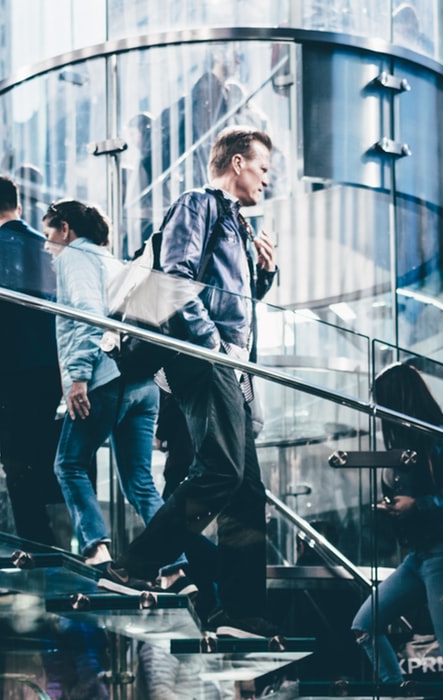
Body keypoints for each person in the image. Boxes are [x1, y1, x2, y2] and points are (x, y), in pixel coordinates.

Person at [96, 127, 280, 640]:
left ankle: (243, 615)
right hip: (206, 356)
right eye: (263, 168)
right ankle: (133, 566)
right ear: (239, 163)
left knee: (246, 491)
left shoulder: (240, 226)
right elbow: (174, 278)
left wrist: (265, 273)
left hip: (233, 364)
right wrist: (211, 345)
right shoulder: (199, 203)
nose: (267, 180)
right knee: (220, 470)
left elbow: (237, 301)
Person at [41, 199, 168, 568]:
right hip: (142, 384)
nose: (47, 246)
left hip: (104, 379)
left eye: (50, 235)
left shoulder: (76, 257)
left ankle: (96, 549)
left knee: (69, 464)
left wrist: (78, 376)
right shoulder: (112, 260)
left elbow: (87, 314)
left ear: (65, 229)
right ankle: (175, 565)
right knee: (140, 481)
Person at [351, 364, 443, 693]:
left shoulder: (439, 439)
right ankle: (399, 691)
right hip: (419, 556)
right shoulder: (409, 445)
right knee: (365, 624)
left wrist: (416, 505)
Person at [0, 174, 64, 546]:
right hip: (50, 365)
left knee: (16, 457)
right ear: (18, 206)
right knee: (42, 451)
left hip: (12, 366)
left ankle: (36, 542)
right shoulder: (44, 245)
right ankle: (55, 539)